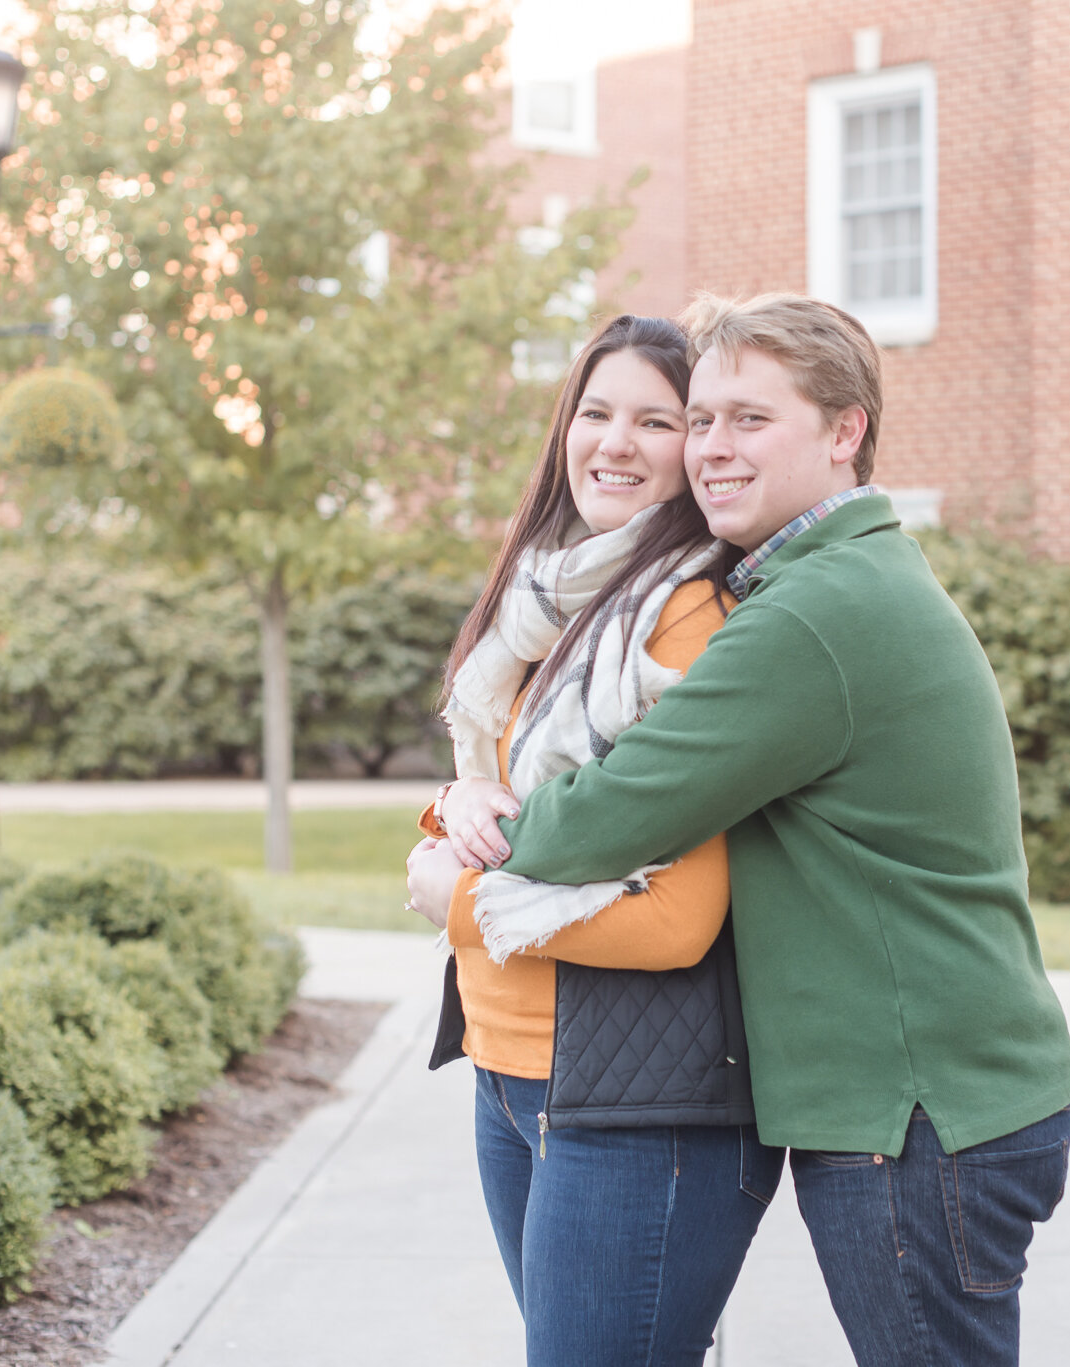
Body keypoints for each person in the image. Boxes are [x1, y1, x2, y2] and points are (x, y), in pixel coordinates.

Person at [432, 292, 1070, 1367]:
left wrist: (446, 878)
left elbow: (602, 818)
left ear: (843, 432)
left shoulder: (807, 615)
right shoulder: (822, 581)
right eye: (704, 419)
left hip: (914, 1107)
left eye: (746, 419)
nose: (708, 448)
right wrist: (453, 803)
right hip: (917, 1099)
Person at [402, 314, 780, 1367]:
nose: (615, 441)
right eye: (596, 411)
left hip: (635, 1103)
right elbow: (523, 793)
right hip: (511, 1069)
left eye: (656, 419)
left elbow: (674, 919)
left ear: (693, 447)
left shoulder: (684, 618)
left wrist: (459, 900)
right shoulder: (552, 599)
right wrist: (452, 814)